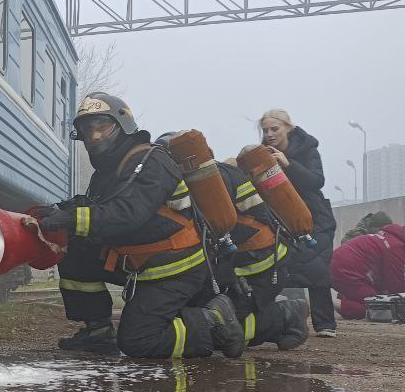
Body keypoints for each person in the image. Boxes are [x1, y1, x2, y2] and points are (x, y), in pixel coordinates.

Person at [39, 93, 245, 359]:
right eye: (88, 130)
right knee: (75, 246)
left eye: (102, 125)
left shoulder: (152, 162)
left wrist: (71, 219)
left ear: (122, 124)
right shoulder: (111, 170)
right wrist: (59, 211)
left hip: (174, 268)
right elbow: (100, 205)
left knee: (138, 341)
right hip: (141, 262)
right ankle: (97, 331)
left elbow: (128, 214)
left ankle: (212, 320)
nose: (95, 136)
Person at [214, 156, 309, 350]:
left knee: (221, 324)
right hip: (257, 264)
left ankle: (288, 315)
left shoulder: (214, 186)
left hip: (263, 267)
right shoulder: (217, 180)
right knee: (219, 321)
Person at [257, 110, 338, 336]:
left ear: (288, 128)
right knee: (276, 266)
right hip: (280, 219)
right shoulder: (261, 153)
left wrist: (288, 164)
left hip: (315, 218)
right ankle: (276, 317)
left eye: (275, 129)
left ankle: (325, 325)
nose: (270, 134)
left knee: (317, 267)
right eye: (265, 130)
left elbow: (316, 181)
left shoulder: (307, 149)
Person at [330, 221, 405, 319]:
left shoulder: (392, 237)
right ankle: (329, 302)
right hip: (347, 270)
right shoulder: (396, 248)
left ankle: (344, 302)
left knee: (376, 299)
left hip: (341, 265)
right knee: (378, 307)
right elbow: (395, 285)